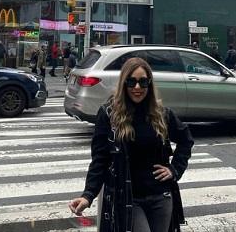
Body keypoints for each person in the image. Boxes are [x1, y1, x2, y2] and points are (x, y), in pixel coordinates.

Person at [68, 57, 194, 232]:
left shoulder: (162, 115)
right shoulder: (109, 115)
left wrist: (175, 170)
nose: (137, 88)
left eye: (143, 82)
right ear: (123, 83)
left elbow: (186, 140)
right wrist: (88, 195)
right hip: (128, 198)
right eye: (131, 82)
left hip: (161, 197)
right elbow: (100, 160)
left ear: (149, 84)